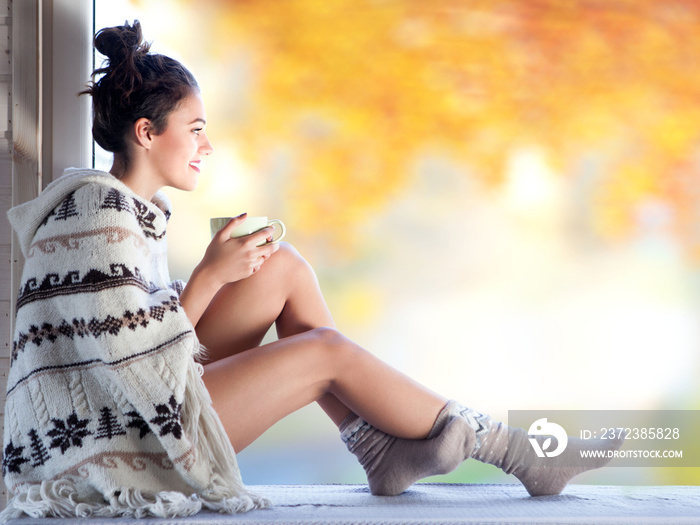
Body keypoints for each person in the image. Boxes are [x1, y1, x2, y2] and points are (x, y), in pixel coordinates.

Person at [1, 21, 623, 519]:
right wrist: (211, 277)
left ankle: (376, 448)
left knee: (282, 269)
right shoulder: (91, 214)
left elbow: (135, 338)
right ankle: (512, 452)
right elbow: (122, 367)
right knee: (323, 352)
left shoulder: (132, 210)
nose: (206, 146)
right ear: (145, 132)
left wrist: (230, 269)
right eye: (194, 129)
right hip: (116, 445)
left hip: (146, 403)